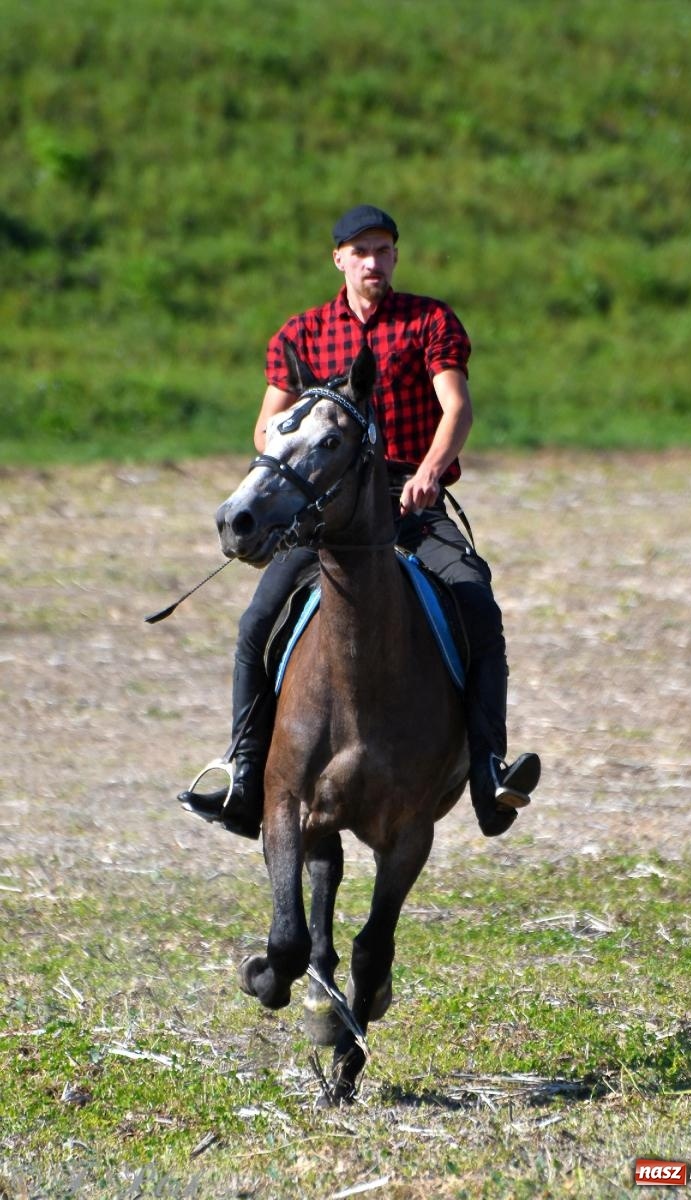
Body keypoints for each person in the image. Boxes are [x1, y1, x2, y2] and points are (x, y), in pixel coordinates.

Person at [178, 205, 540, 839]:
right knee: (257, 621)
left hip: (410, 500)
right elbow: (266, 427)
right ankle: (243, 775)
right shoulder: (302, 334)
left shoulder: (429, 322)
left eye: (384, 250)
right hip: (330, 509)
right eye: (362, 251)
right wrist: (296, 467)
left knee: (478, 604)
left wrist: (429, 472)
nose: (374, 261)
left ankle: (488, 774)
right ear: (339, 259)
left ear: (395, 257)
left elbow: (456, 408)